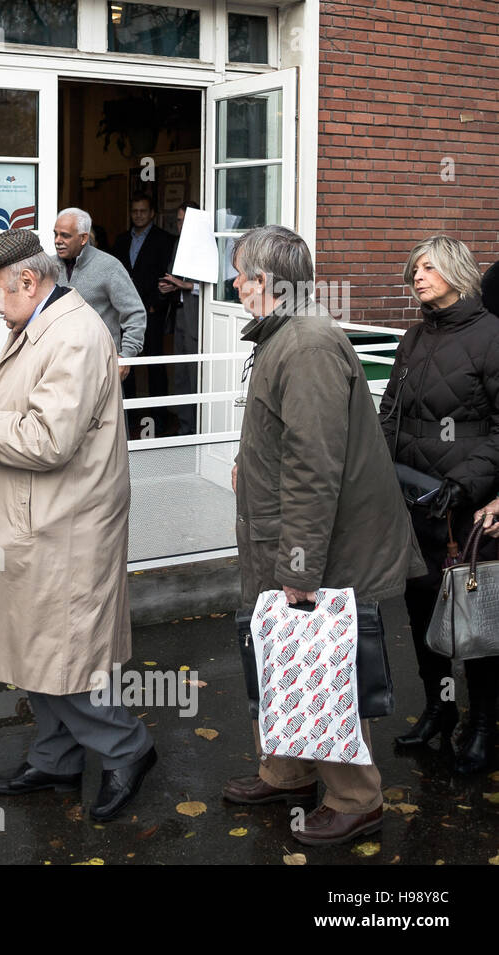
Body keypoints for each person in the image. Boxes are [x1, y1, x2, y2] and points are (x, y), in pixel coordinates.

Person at [0, 229, 157, 822]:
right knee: (38, 647)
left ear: (29, 282)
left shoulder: (75, 335)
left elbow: (49, 439)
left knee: (61, 653)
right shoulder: (47, 325)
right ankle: (57, 758)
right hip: (41, 517)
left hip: (64, 522)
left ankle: (127, 747)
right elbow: (33, 408)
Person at [222, 225, 424, 845]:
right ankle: (287, 769)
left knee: (323, 662)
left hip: (315, 547)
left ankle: (355, 796)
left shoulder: (305, 344)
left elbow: (315, 466)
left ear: (262, 282)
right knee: (285, 656)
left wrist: (299, 571)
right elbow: (291, 441)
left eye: (238, 273)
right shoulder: (290, 334)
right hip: (289, 537)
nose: (232, 284)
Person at [381, 235, 499, 774]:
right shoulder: (413, 337)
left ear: (456, 270)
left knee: (474, 619)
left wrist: (467, 485)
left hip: (468, 511)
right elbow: (389, 415)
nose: (417, 277)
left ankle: (483, 727)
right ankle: (440, 709)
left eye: (427, 268)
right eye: (413, 270)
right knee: (422, 609)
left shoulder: (491, 336)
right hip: (414, 503)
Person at [52, 207, 145, 379]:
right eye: (55, 234)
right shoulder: (48, 268)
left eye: (65, 235)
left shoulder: (109, 267)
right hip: (57, 365)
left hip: (100, 365)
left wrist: (126, 356)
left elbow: (135, 313)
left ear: (83, 238)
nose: (58, 240)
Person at [113, 193, 177, 431]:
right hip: (123, 313)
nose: (138, 215)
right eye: (134, 211)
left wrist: (155, 304)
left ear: (152, 214)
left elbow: (168, 275)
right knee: (125, 364)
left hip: (152, 312)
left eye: (143, 211)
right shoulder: (120, 240)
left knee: (154, 365)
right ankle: (126, 418)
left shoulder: (165, 240)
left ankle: (159, 421)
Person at [159, 202, 202, 435]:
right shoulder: (178, 244)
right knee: (182, 375)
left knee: (196, 375)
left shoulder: (209, 245)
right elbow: (174, 276)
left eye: (186, 221)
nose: (181, 225)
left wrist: (187, 286)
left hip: (200, 316)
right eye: (178, 221)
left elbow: (218, 288)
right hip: (180, 315)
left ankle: (198, 430)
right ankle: (185, 430)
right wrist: (169, 286)